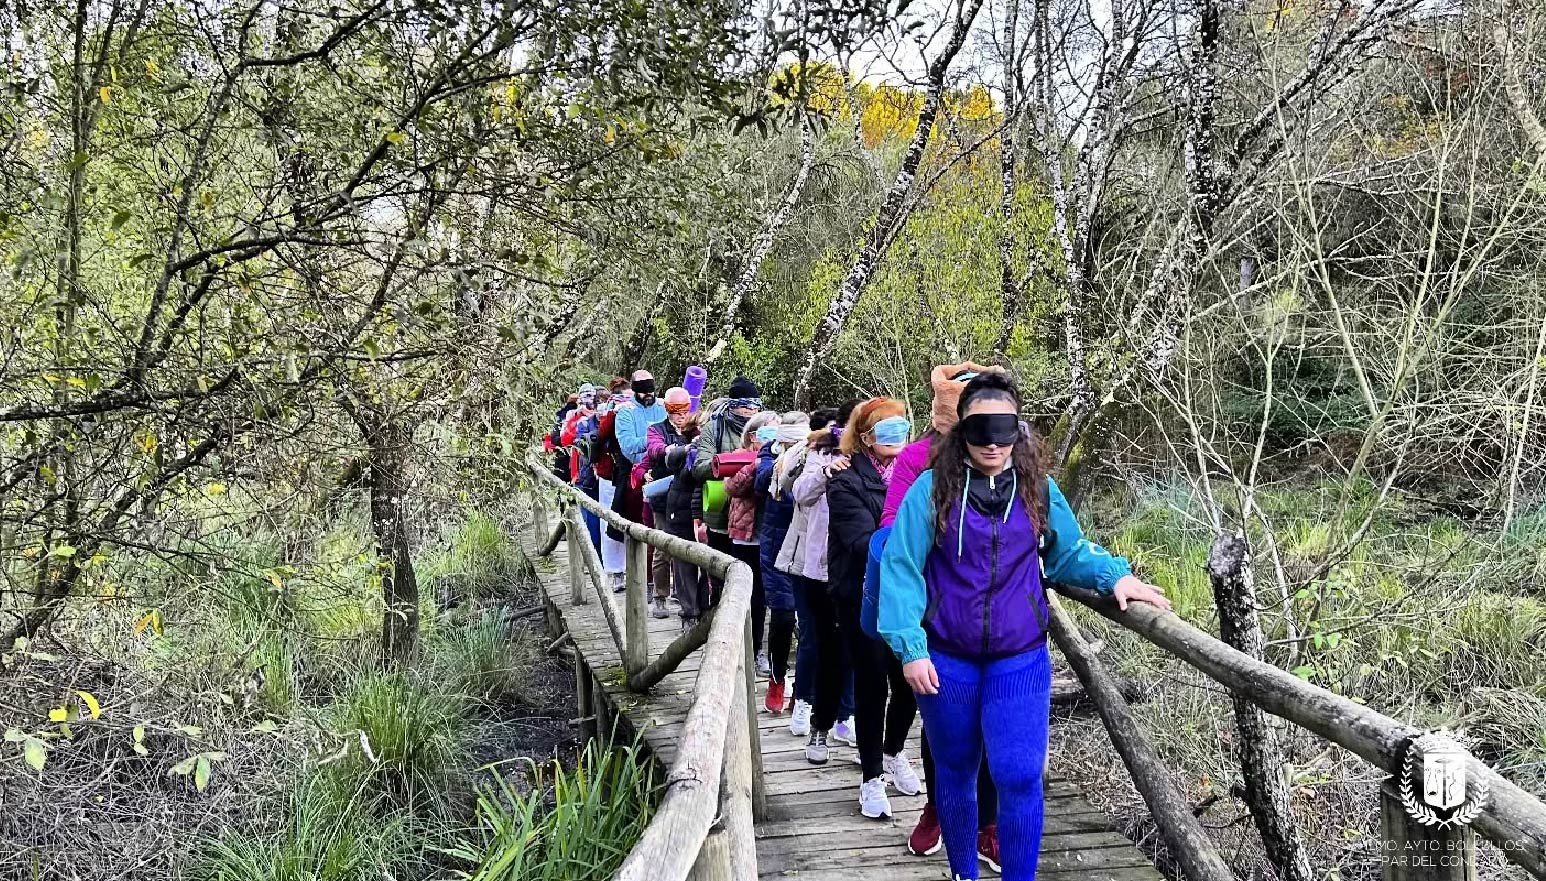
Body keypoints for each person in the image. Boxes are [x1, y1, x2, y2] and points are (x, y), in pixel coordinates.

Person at [879, 373, 1171, 881]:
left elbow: (1067, 553)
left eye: (1004, 430)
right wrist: (911, 647)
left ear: (1019, 430)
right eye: (980, 430)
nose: (992, 443)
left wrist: (1115, 577)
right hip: (946, 656)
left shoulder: (1037, 489)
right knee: (955, 772)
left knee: (1018, 776)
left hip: (1019, 655)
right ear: (960, 431)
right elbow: (901, 566)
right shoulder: (932, 490)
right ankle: (964, 873)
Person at [876, 363, 1007, 865]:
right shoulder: (916, 460)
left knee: (993, 727)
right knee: (943, 727)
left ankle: (988, 825)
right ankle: (939, 808)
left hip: (1000, 622)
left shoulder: (1009, 461)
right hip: (937, 617)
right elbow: (891, 526)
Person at [827, 397, 921, 820]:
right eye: (885, 429)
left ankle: (894, 750)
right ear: (865, 437)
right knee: (871, 684)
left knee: (909, 682)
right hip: (860, 594)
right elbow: (861, 542)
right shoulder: (845, 480)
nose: (896, 436)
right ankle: (870, 776)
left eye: (901, 427)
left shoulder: (918, 474)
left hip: (909, 595)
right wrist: (917, 543)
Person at [779, 401, 859, 749]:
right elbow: (799, 493)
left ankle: (846, 715)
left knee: (853, 642)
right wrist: (826, 472)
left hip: (856, 566)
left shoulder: (879, 461)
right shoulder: (819, 453)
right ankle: (804, 700)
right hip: (816, 564)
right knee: (815, 638)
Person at [751, 411, 810, 713]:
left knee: (809, 622)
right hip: (776, 546)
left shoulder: (816, 458)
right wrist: (784, 461)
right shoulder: (769, 455)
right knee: (783, 615)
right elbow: (760, 483)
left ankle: (802, 689)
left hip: (808, 545)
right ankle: (777, 678)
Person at [724, 410, 779, 672]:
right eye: (767, 432)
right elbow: (732, 488)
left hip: (773, 536)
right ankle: (752, 649)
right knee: (752, 595)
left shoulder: (785, 457)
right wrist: (756, 465)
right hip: (747, 537)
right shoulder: (739, 457)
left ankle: (766, 650)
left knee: (769, 596)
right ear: (752, 436)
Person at [616, 370, 668, 606]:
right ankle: (644, 582)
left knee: (667, 534)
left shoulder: (663, 407)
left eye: (651, 390)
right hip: (637, 477)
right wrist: (656, 440)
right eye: (643, 391)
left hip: (665, 473)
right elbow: (628, 447)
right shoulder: (626, 412)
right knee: (641, 533)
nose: (648, 395)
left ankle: (666, 586)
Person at [657, 408, 712, 630]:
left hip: (707, 514)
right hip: (681, 512)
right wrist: (692, 448)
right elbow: (671, 460)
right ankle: (689, 613)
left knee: (709, 565)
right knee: (683, 565)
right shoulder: (685, 449)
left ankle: (705, 610)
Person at [643, 387, 692, 619]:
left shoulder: (694, 430)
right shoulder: (656, 430)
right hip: (663, 499)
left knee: (688, 550)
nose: (680, 415)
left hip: (688, 499)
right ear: (668, 410)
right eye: (675, 410)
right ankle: (660, 596)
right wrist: (669, 450)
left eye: (684, 410)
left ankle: (685, 597)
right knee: (663, 548)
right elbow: (653, 448)